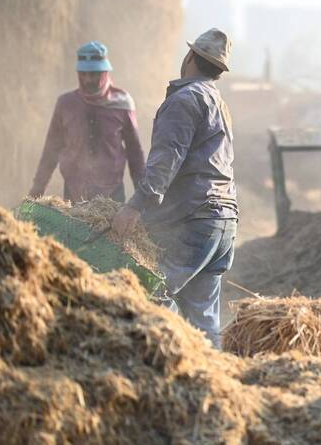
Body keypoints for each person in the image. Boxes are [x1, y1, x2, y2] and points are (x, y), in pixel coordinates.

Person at [112, 28, 237, 349]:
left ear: (190, 56)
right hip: (223, 224)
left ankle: (167, 362)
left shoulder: (184, 100)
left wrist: (134, 206)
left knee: (150, 294)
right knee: (204, 318)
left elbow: (166, 160)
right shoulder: (218, 102)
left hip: (193, 220)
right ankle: (212, 372)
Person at [29, 41, 146, 202]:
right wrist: (37, 189)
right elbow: (51, 148)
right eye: (83, 74)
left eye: (94, 74)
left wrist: (142, 199)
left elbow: (135, 153)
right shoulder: (66, 104)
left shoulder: (122, 104)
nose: (88, 80)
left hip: (111, 196)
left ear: (105, 73)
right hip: (74, 193)